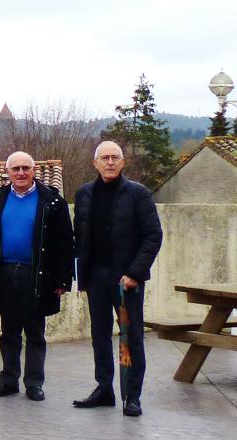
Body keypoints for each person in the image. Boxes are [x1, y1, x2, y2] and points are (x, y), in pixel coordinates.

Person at [72, 141, 162, 417]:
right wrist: (81, 276)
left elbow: (152, 236)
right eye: (104, 158)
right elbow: (80, 238)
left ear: (123, 163)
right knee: (99, 336)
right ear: (95, 163)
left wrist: (134, 273)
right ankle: (104, 389)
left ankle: (131, 395)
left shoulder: (138, 194)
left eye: (115, 158)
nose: (110, 162)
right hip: (96, 276)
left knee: (130, 336)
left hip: (126, 279)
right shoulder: (85, 194)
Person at [0, 151, 74, 402]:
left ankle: (34, 383)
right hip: (5, 273)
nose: (21, 173)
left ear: (34, 170)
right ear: (8, 172)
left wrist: (63, 280)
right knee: (8, 331)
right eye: (16, 169)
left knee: (35, 332)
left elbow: (66, 242)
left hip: (38, 275)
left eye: (25, 168)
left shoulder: (52, 201)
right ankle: (9, 380)